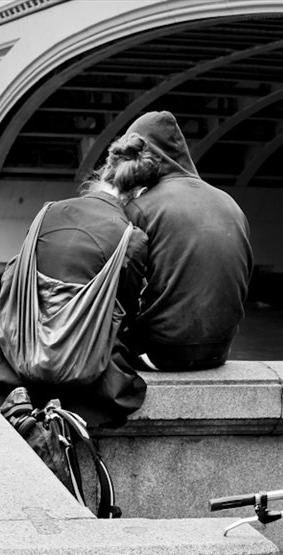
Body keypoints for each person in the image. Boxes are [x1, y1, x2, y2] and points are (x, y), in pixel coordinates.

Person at [0, 133, 160, 426]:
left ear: (105, 171)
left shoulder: (48, 213)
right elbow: (123, 313)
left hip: (20, 348)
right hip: (81, 366)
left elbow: (17, 280)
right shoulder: (133, 240)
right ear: (139, 192)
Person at [121, 110, 253, 371]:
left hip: (160, 353)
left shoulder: (141, 208)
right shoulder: (231, 203)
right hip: (219, 352)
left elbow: (122, 290)